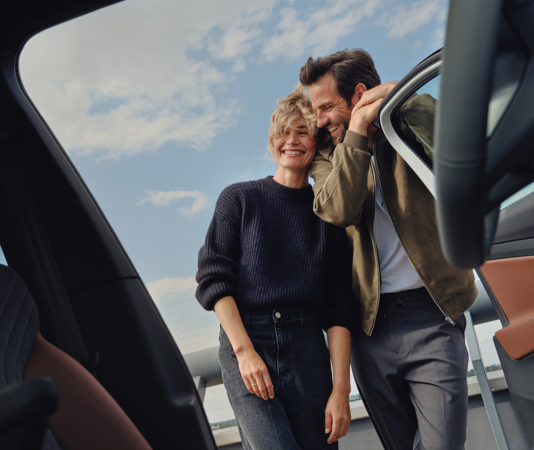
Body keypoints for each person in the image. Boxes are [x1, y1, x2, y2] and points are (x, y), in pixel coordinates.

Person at [299, 49, 478, 450]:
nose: (320, 120)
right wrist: (357, 131)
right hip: (370, 329)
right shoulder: (327, 156)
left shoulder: (407, 119)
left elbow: (459, 144)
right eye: (316, 110)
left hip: (432, 316)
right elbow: (337, 208)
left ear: (359, 93)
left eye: (327, 106)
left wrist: (404, 98)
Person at [195, 86, 358, 449]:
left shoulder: (328, 214)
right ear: (272, 142)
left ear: (316, 142)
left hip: (307, 347)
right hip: (248, 342)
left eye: (303, 132)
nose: (292, 141)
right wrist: (244, 353)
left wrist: (341, 390)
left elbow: (338, 306)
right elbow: (213, 280)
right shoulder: (238, 199)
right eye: (284, 132)